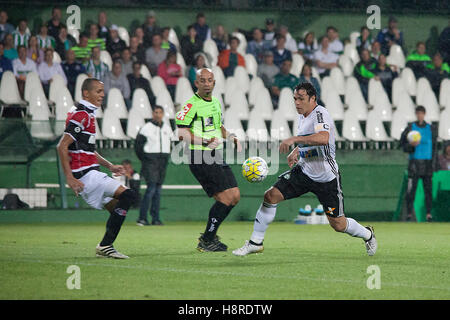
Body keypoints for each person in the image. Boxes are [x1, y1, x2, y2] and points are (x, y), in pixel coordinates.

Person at [232, 82, 377, 257]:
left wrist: (294, 139)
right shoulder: (303, 116)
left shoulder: (320, 114)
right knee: (270, 196)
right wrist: (297, 151)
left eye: (301, 99)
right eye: (295, 99)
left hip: (326, 178)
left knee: (338, 224)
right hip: (304, 172)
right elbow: (309, 140)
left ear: (312, 98)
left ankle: (368, 234)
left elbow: (323, 138)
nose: (297, 103)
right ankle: (255, 242)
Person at [57, 78, 138, 259]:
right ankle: (106, 245)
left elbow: (88, 150)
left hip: (91, 174)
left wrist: (110, 166)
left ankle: (106, 245)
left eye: (103, 91)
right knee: (129, 196)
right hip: (86, 175)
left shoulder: (86, 115)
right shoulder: (81, 115)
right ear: (86, 93)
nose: (102, 95)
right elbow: (62, 146)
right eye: (98, 91)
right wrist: (69, 178)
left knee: (117, 208)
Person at [175, 68, 242, 252]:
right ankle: (207, 239)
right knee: (226, 198)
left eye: (209, 80)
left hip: (216, 154)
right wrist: (204, 140)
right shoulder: (191, 105)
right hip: (199, 155)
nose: (206, 83)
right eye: (202, 80)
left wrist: (230, 136)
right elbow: (181, 133)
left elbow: (217, 125)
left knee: (235, 196)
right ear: (196, 83)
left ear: (214, 82)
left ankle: (209, 238)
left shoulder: (216, 103)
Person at [135, 105, 173, 226]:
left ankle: (155, 218)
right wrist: (145, 159)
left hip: (163, 160)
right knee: (151, 189)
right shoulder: (146, 128)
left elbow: (170, 144)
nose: (157, 115)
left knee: (157, 191)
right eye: (155, 112)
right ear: (152, 114)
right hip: (150, 160)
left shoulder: (167, 128)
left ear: (163, 114)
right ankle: (142, 218)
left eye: (160, 112)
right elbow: (138, 146)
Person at [400, 106, 437, 222]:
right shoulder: (411, 128)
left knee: (428, 191)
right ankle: (409, 213)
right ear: (416, 114)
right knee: (411, 191)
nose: (420, 115)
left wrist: (434, 164)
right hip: (414, 164)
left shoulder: (431, 128)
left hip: (427, 164)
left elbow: (435, 148)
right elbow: (402, 145)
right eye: (418, 113)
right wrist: (411, 145)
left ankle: (429, 214)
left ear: (424, 114)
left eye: (422, 113)